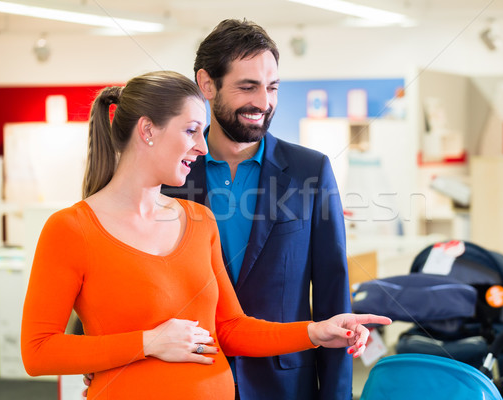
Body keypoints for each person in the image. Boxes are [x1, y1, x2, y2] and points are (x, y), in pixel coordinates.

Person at [20, 70, 391, 400]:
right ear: (147, 130)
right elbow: (38, 352)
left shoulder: (199, 220)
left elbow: (230, 329)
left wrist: (315, 332)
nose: (201, 146)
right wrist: (147, 343)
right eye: (190, 130)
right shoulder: (71, 228)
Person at [160, 19, 354, 400]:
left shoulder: (309, 171)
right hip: (186, 379)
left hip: (283, 381)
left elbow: (334, 293)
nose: (264, 102)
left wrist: (337, 394)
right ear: (207, 84)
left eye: (272, 87)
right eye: (247, 87)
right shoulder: (169, 175)